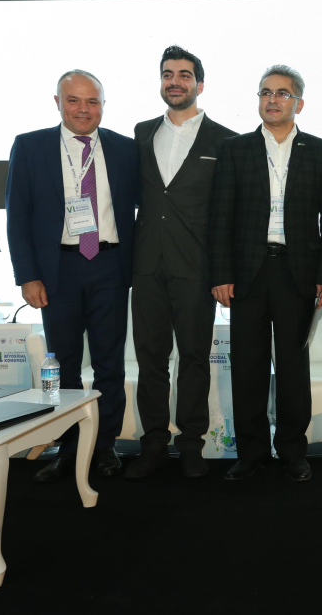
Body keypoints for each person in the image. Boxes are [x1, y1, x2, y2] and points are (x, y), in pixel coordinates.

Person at [5, 70, 138, 482]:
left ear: (103, 105)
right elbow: (17, 216)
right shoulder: (30, 146)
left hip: (110, 265)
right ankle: (68, 446)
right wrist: (27, 275)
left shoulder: (125, 148)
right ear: (58, 103)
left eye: (92, 101)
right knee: (62, 365)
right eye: (74, 100)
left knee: (109, 363)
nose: (83, 109)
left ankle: (105, 444)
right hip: (57, 269)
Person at [209, 65, 322, 482]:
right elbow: (220, 217)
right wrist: (221, 273)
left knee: (292, 367)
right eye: (266, 92)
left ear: (298, 103)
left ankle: (292, 450)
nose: (273, 99)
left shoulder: (320, 151)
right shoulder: (235, 149)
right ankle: (250, 453)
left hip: (296, 271)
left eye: (282, 93)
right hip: (247, 272)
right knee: (247, 366)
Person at [125, 46, 237, 480]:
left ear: (199, 85)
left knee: (193, 359)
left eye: (184, 75)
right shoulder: (141, 133)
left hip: (196, 268)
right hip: (146, 266)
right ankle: (153, 444)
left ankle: (192, 444)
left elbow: (227, 212)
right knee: (150, 360)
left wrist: (223, 271)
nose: (175, 81)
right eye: (168, 74)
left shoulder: (225, 140)